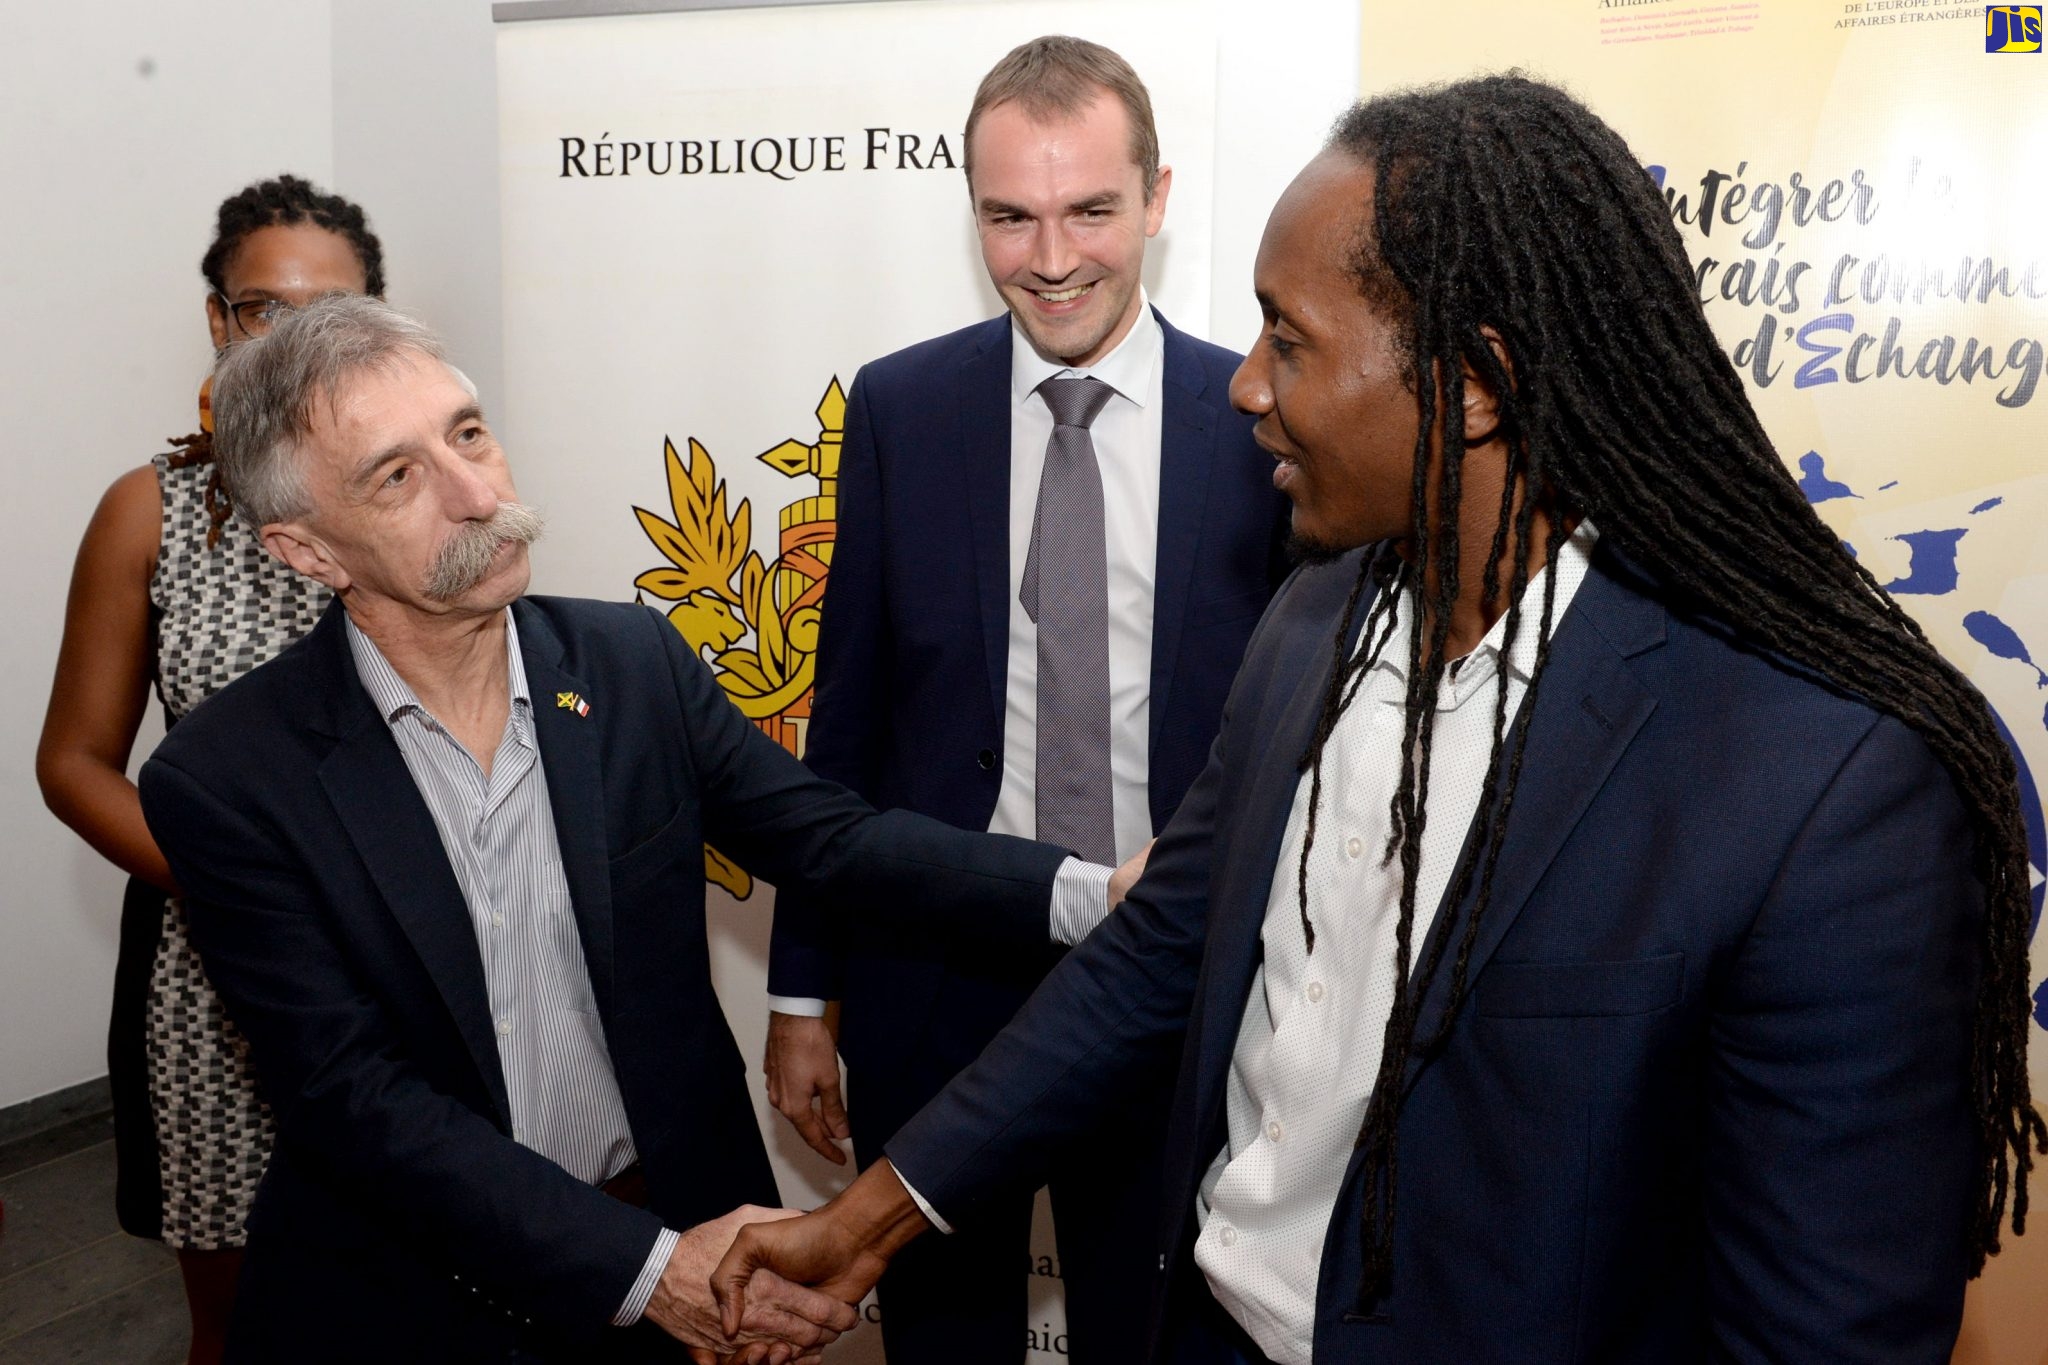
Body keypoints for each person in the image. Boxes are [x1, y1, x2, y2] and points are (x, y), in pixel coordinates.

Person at [713, 75, 2044, 1364]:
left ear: (1474, 381)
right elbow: (1159, 948)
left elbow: (1819, 1324)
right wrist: (870, 1219)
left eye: (1288, 341)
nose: (1244, 385)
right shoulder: (1311, 621)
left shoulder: (1820, 777)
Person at [131, 293, 1139, 1365]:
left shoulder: (628, 666)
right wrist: (647, 1273)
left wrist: (1093, 892)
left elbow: (831, 841)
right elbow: (356, 1100)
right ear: (305, 549)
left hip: (682, 1225)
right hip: (421, 1295)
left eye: (468, 434)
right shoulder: (225, 780)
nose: (478, 495)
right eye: (398, 475)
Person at [761, 34, 1289, 1365]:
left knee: (1152, 1334)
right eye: (1010, 216)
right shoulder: (902, 407)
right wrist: (799, 998)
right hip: (931, 970)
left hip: (1165, 980)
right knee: (941, 1339)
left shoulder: (1262, 423)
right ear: (974, 212)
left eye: (1091, 210)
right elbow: (852, 720)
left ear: (1157, 198)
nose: (1051, 258)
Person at [36, 174, 382, 1365]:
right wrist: (231, 884)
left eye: (328, 311)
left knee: (428, 1271)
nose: (288, 340)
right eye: (260, 308)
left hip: (406, 947)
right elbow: (75, 762)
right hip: (218, 961)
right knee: (238, 1318)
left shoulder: (421, 493)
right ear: (219, 321)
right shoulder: (155, 511)